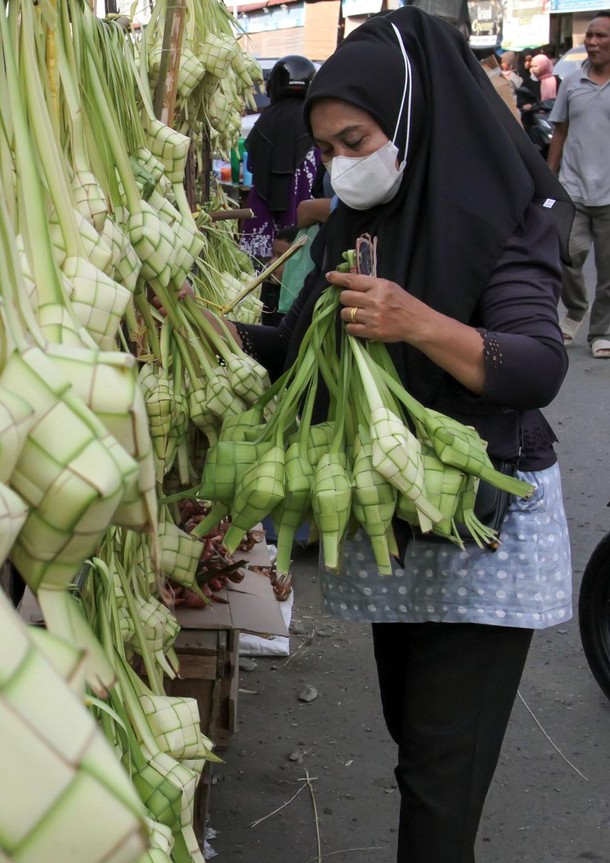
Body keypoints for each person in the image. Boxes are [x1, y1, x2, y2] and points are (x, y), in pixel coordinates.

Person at [219, 7, 574, 861]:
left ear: (411, 121)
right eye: (331, 149)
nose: (343, 165)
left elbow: (534, 365)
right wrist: (212, 334)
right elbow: (300, 342)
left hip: (479, 527)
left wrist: (416, 321)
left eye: (356, 139)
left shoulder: (508, 215)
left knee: (438, 783)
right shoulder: (357, 226)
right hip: (401, 524)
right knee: (415, 745)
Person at [547, 10, 610, 358]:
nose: (593, 41)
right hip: (573, 188)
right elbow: (560, 132)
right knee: (567, 255)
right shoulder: (571, 82)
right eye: (590, 35)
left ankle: (601, 331)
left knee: (608, 270)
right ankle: (575, 310)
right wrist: (548, 178)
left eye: (601, 36)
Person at [238, 55, 321, 262]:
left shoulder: (265, 120)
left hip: (265, 212)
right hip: (306, 214)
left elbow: (251, 164)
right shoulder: (318, 122)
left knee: (260, 277)